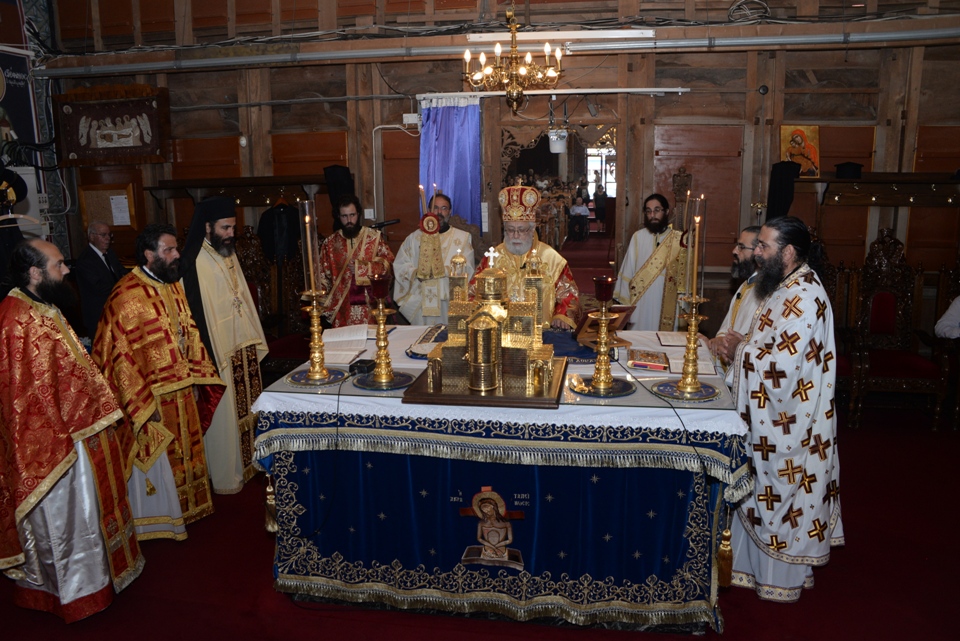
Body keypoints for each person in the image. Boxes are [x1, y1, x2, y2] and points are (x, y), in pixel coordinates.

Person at [1, 239, 143, 621]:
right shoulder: (17, 320)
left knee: (88, 517)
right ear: (35, 272)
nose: (66, 271)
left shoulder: (44, 306)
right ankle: (72, 592)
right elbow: (23, 398)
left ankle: (95, 580)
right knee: (64, 522)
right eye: (59, 264)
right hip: (54, 446)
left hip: (81, 430)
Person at [728, 216, 843, 603]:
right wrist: (744, 344)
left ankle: (781, 579)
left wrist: (738, 351)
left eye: (764, 247)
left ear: (788, 252)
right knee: (757, 488)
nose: (757, 253)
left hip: (791, 420)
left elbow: (784, 368)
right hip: (775, 414)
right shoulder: (784, 286)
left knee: (783, 490)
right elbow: (770, 344)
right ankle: (748, 569)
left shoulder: (806, 296)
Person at [94, 224, 224, 541]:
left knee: (188, 450)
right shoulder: (126, 296)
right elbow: (120, 358)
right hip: (150, 398)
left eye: (175, 248)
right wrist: (140, 403)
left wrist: (195, 374)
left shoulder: (172, 284)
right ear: (149, 255)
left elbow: (188, 331)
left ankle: (191, 508)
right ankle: (160, 518)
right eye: (169, 249)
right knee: (160, 459)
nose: (177, 254)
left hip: (182, 387)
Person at [181, 197, 268, 494]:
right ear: (207, 227)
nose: (232, 233)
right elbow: (193, 314)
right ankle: (225, 476)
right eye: (225, 227)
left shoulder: (227, 253)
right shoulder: (192, 261)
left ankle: (248, 465)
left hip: (240, 345)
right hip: (218, 351)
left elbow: (240, 295)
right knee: (225, 417)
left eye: (233, 227)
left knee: (245, 412)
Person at [469, 185, 582, 330]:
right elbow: (472, 293)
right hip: (499, 334)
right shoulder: (492, 258)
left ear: (532, 228)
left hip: (542, 334)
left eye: (521, 230)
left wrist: (562, 315)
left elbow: (570, 296)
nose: (515, 235)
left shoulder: (552, 259)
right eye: (510, 230)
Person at [393, 193, 475, 325]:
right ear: (429, 211)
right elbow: (400, 264)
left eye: (444, 208)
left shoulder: (463, 238)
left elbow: (468, 268)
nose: (439, 212)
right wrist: (416, 273)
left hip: (449, 302)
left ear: (450, 212)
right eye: (435, 207)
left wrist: (442, 271)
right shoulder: (414, 238)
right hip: (421, 301)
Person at [317, 194, 395, 327]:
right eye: (344, 216)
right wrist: (321, 306)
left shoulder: (374, 238)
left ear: (358, 214)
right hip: (341, 311)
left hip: (370, 308)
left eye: (352, 215)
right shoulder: (329, 244)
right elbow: (322, 277)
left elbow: (388, 266)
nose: (349, 220)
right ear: (338, 216)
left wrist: (362, 268)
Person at [613, 193, 687, 331]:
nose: (653, 215)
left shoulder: (679, 240)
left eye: (657, 210)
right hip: (641, 304)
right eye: (649, 211)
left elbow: (684, 278)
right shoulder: (638, 237)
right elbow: (628, 270)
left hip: (667, 302)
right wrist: (625, 306)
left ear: (666, 211)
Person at [708, 226, 762, 371]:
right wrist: (719, 338)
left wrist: (728, 345)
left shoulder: (766, 291)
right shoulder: (746, 285)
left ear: (758, 252)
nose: (734, 251)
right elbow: (730, 324)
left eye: (741, 247)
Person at [74, 221, 129, 338]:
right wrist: (124, 289)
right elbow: (99, 288)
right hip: (98, 314)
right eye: (103, 235)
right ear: (92, 237)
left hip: (115, 310)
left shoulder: (110, 254)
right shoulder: (85, 260)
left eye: (109, 235)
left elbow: (121, 272)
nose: (108, 238)